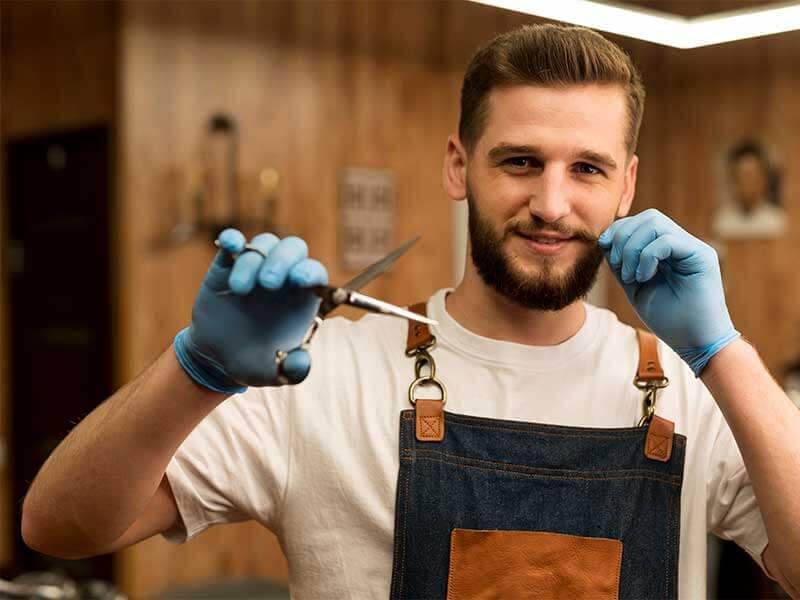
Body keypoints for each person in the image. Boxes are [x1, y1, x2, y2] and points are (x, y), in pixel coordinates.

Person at [20, 24, 800, 599]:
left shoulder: (691, 389)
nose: (552, 204)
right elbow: (59, 527)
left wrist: (722, 352)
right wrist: (195, 369)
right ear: (460, 166)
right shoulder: (325, 379)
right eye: (520, 161)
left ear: (626, 187)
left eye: (586, 169)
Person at [712, 139, 785, 239]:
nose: (748, 182)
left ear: (764, 178)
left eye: (752, 175)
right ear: (733, 179)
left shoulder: (776, 221)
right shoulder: (722, 222)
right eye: (743, 176)